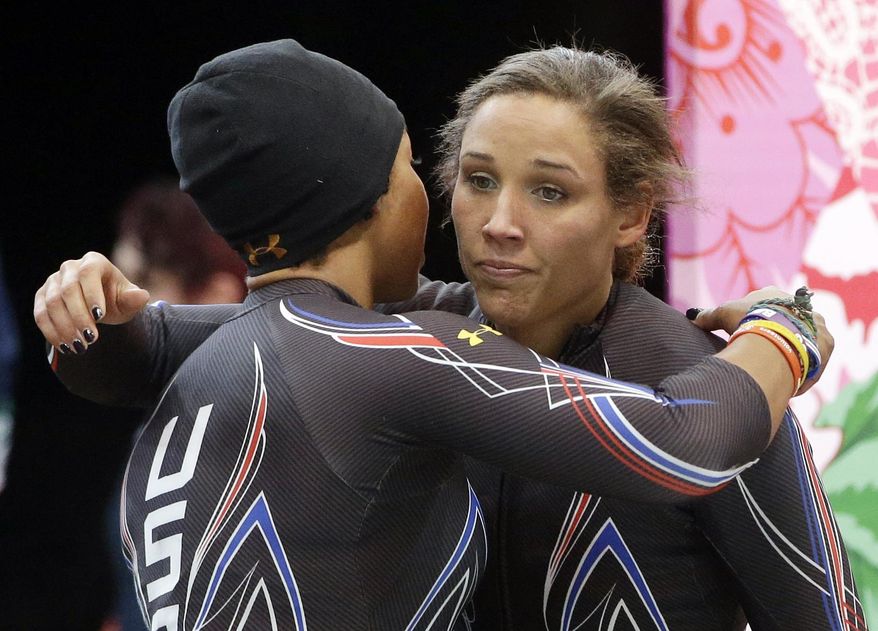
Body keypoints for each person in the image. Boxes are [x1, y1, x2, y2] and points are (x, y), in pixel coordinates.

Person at [34, 41, 836, 629]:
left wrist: (96, 327)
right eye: (476, 179)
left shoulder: (707, 381)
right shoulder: (402, 341)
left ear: (630, 213)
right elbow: (163, 344)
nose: (499, 223)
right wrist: (790, 327)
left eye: (549, 191)